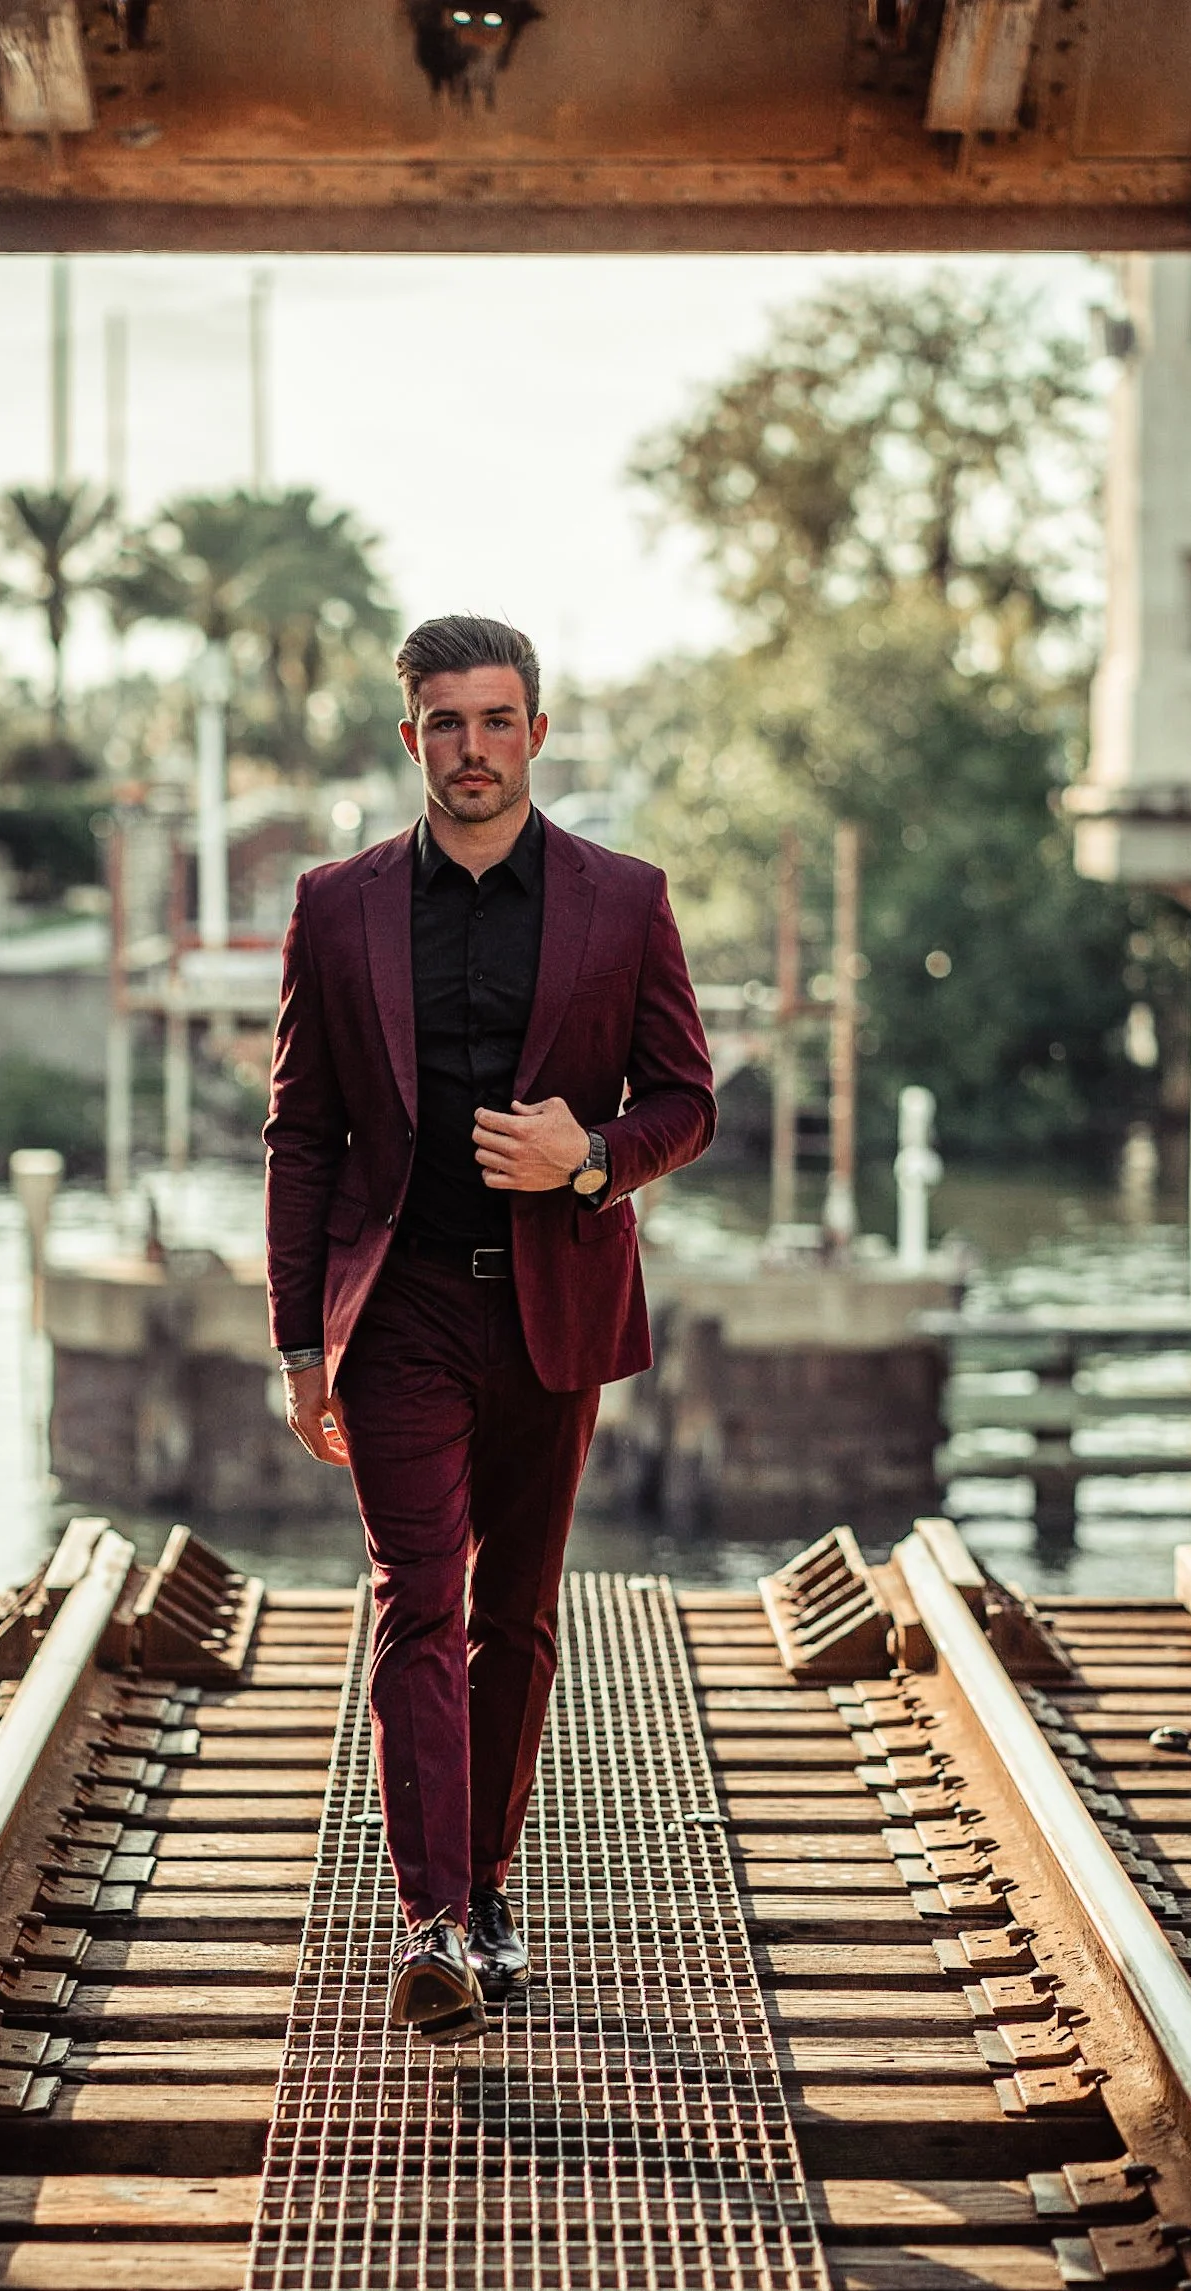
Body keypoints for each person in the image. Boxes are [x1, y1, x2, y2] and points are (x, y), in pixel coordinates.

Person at [264, 614, 716, 2040]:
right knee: (418, 1601)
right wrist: (296, 1344)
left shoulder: (622, 897)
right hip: (393, 1311)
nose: (471, 746)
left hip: (551, 1310)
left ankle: (489, 1884)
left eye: (496, 718)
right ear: (410, 739)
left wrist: (586, 1159)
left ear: (536, 730)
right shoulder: (333, 907)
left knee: (515, 1615)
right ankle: (436, 1917)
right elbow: (301, 1136)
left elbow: (686, 1101)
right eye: (443, 722)